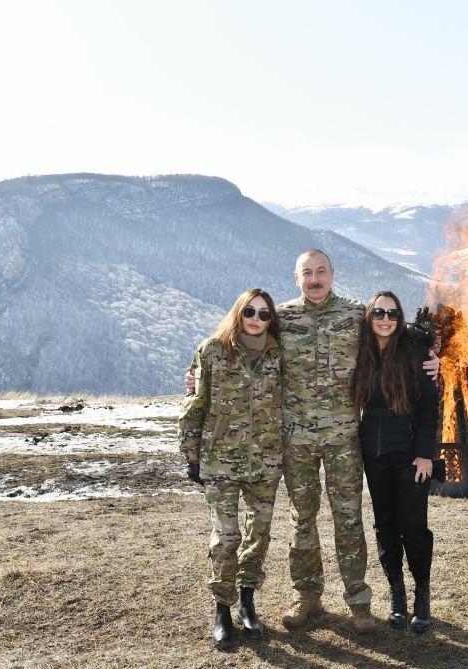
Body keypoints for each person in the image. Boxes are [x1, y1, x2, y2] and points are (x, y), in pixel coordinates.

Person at [186, 249, 439, 634]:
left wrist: (431, 352)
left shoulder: (355, 315)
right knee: (302, 519)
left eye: (321, 271)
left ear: (332, 274)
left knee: (348, 518)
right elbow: (237, 340)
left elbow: (393, 328)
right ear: (297, 278)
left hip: (344, 438)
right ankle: (306, 596)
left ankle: (358, 602)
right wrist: (195, 376)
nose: (315, 279)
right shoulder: (281, 318)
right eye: (307, 273)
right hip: (295, 439)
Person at [178, 288, 283, 650]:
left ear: (271, 319)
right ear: (238, 312)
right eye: (249, 311)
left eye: (264, 314)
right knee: (226, 538)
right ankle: (222, 609)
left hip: (266, 461)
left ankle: (247, 602)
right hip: (220, 460)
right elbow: (194, 403)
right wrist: (191, 456)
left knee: (258, 535)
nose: (256, 319)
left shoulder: (280, 354)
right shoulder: (211, 350)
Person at [352, 291, 439, 634]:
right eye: (378, 312)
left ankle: (422, 597)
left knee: (414, 528)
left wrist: (425, 454)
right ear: (369, 316)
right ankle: (397, 595)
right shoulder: (361, 350)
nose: (385, 319)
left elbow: (430, 407)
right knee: (385, 527)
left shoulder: (415, 351)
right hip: (374, 455)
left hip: (410, 455)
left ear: (400, 317)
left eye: (392, 313)